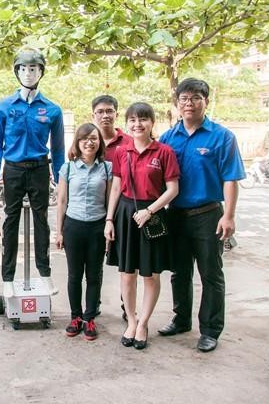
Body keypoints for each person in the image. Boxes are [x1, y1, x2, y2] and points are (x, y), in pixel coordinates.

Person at [158, 78, 245, 352]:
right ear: (177, 103)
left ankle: (210, 330)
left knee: (210, 274)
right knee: (179, 272)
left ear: (206, 101)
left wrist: (228, 216)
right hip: (176, 215)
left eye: (196, 97)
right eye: (184, 98)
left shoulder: (222, 137)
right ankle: (181, 319)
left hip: (209, 215)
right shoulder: (168, 138)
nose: (189, 103)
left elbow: (230, 179)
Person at [0, 46, 65, 297]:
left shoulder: (52, 109)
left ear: (41, 71)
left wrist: (61, 177)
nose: (28, 73)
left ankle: (44, 274)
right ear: (16, 71)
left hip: (40, 169)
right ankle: (8, 278)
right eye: (23, 68)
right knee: (11, 221)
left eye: (33, 69)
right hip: (12, 170)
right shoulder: (3, 107)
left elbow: (59, 148)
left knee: (42, 221)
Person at [104, 102, 180, 350]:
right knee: (127, 274)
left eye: (143, 119)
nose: (138, 124)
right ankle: (132, 320)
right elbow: (115, 187)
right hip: (125, 214)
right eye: (133, 120)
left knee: (150, 274)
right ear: (127, 123)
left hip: (152, 214)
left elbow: (173, 189)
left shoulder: (164, 152)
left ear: (152, 123)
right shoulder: (121, 152)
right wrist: (109, 220)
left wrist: (149, 211)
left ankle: (144, 323)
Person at [56, 123, 112, 341]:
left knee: (94, 275)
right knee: (74, 275)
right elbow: (62, 201)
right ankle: (75, 317)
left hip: (97, 226)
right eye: (84, 139)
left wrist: (109, 225)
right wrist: (59, 231)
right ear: (77, 143)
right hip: (73, 225)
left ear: (100, 143)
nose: (89, 142)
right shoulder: (67, 168)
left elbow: (109, 200)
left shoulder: (107, 168)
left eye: (94, 139)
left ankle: (89, 319)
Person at [91, 94, 131, 320]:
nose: (105, 115)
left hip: (123, 209)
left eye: (109, 111)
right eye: (100, 112)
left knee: (126, 262)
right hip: (96, 211)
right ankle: (93, 305)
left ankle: (128, 306)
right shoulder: (88, 139)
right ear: (93, 115)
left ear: (116, 114)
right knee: (95, 260)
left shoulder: (128, 142)